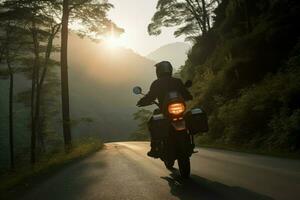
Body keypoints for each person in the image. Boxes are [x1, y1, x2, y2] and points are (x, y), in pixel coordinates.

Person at [137, 61, 193, 157]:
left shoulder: (156, 83)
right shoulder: (177, 81)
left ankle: (154, 147)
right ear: (170, 70)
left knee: (152, 122)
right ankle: (190, 141)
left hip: (165, 111)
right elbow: (186, 94)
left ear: (158, 71)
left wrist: (142, 102)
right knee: (187, 118)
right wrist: (189, 96)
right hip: (179, 111)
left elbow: (150, 96)